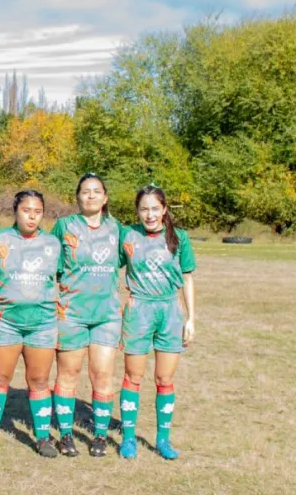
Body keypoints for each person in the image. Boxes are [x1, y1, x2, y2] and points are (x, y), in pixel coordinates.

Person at [0, 190, 61, 458]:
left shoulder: (53, 243)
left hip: (42, 324)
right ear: (16, 210)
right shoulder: (0, 239)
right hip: (5, 323)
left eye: (37, 211)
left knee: (39, 380)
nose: (32, 216)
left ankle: (42, 437)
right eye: (26, 210)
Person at [118, 185, 197, 461]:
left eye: (154, 208)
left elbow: (187, 277)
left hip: (169, 312)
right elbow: (106, 267)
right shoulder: (127, 235)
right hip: (139, 310)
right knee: (133, 378)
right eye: (143, 209)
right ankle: (128, 439)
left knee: (164, 378)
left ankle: (163, 439)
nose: (149, 214)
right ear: (137, 212)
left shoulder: (180, 238)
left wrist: (191, 318)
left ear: (164, 209)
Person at [52, 173, 123, 457]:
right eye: (85, 191)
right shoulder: (64, 226)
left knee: (102, 374)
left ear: (105, 198)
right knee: (68, 374)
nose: (91, 195)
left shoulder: (118, 229)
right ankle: (66, 435)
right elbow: (52, 266)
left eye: (97, 191)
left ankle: (100, 436)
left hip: (106, 314)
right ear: (77, 197)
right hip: (72, 313)